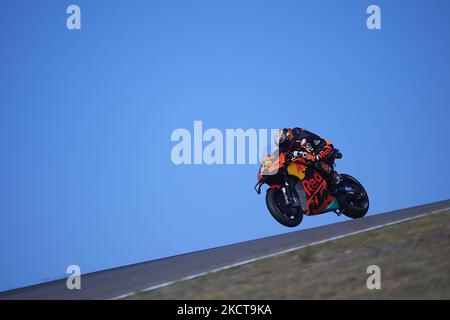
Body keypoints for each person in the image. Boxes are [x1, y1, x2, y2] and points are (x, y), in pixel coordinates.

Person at [274, 127, 341, 190]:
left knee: (316, 161)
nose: (283, 146)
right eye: (280, 143)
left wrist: (300, 154)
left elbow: (310, 153)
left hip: (323, 147)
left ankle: (333, 175)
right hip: (308, 153)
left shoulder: (300, 137)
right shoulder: (286, 148)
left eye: (282, 140)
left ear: (288, 136)